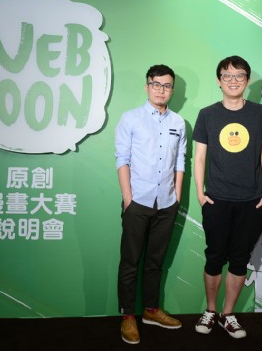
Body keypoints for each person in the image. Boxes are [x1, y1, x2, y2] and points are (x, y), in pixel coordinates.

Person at [193, 55, 262, 339]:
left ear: (247, 81)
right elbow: (199, 157)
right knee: (214, 257)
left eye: (239, 75)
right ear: (219, 81)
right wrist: (200, 194)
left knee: (240, 260)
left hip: (252, 201)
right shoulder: (207, 114)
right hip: (216, 199)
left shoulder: (260, 114)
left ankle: (228, 315)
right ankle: (211, 310)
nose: (233, 80)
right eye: (227, 76)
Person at [114, 64, 187, 345]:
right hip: (138, 201)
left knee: (156, 262)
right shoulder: (130, 118)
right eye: (156, 84)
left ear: (172, 90)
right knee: (130, 262)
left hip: (166, 203)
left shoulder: (178, 122)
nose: (161, 90)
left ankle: (151, 310)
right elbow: (122, 159)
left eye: (167, 86)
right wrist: (128, 199)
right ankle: (128, 315)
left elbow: (180, 160)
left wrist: (176, 196)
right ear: (147, 87)